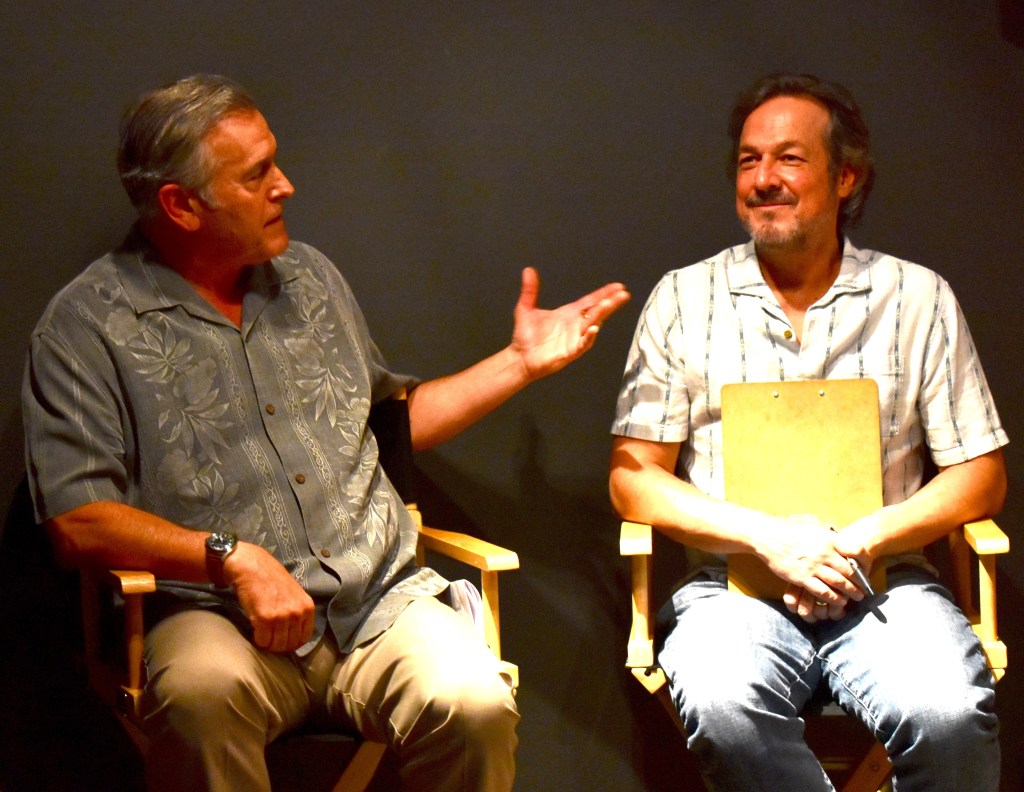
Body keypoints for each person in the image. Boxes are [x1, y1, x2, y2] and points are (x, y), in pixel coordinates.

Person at [22, 73, 630, 792]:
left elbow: (389, 428)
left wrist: (519, 364)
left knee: (475, 702)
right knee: (200, 698)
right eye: (256, 175)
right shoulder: (87, 324)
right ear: (181, 205)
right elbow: (77, 521)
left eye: (275, 161)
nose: (286, 186)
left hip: (377, 604)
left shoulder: (310, 280)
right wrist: (231, 559)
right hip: (214, 618)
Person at [608, 73, 1006, 791]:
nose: (764, 179)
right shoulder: (682, 299)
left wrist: (863, 537)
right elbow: (632, 476)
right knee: (725, 707)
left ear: (845, 175)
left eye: (789, 158)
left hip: (885, 585)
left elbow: (982, 473)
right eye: (748, 161)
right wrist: (767, 538)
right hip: (733, 590)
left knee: (949, 715)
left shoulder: (917, 298)